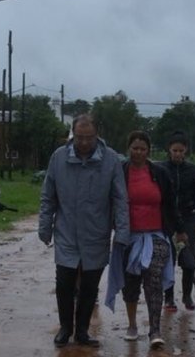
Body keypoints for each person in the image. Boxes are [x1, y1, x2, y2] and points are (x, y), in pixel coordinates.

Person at [38, 114, 130, 348]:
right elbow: (48, 196)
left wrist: (121, 232)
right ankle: (65, 328)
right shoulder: (59, 158)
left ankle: (82, 331)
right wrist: (44, 226)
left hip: (96, 233)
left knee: (90, 286)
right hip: (67, 231)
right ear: (73, 134)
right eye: (80, 137)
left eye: (89, 138)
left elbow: (120, 199)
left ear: (97, 135)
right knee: (64, 283)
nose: (84, 143)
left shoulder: (111, 160)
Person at [120, 130, 186, 349]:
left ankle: (155, 330)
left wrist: (179, 229)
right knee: (130, 284)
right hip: (129, 237)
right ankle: (131, 325)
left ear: (149, 151)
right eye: (134, 148)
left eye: (142, 149)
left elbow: (170, 203)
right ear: (128, 149)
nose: (138, 152)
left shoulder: (159, 173)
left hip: (156, 235)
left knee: (154, 281)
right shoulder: (120, 172)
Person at [160, 130, 195, 311]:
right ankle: (169, 298)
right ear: (169, 150)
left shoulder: (192, 170)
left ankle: (187, 295)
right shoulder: (161, 169)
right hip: (167, 220)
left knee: (188, 260)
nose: (178, 154)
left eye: (181, 151)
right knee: (167, 259)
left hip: (187, 219)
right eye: (174, 150)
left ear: (186, 151)